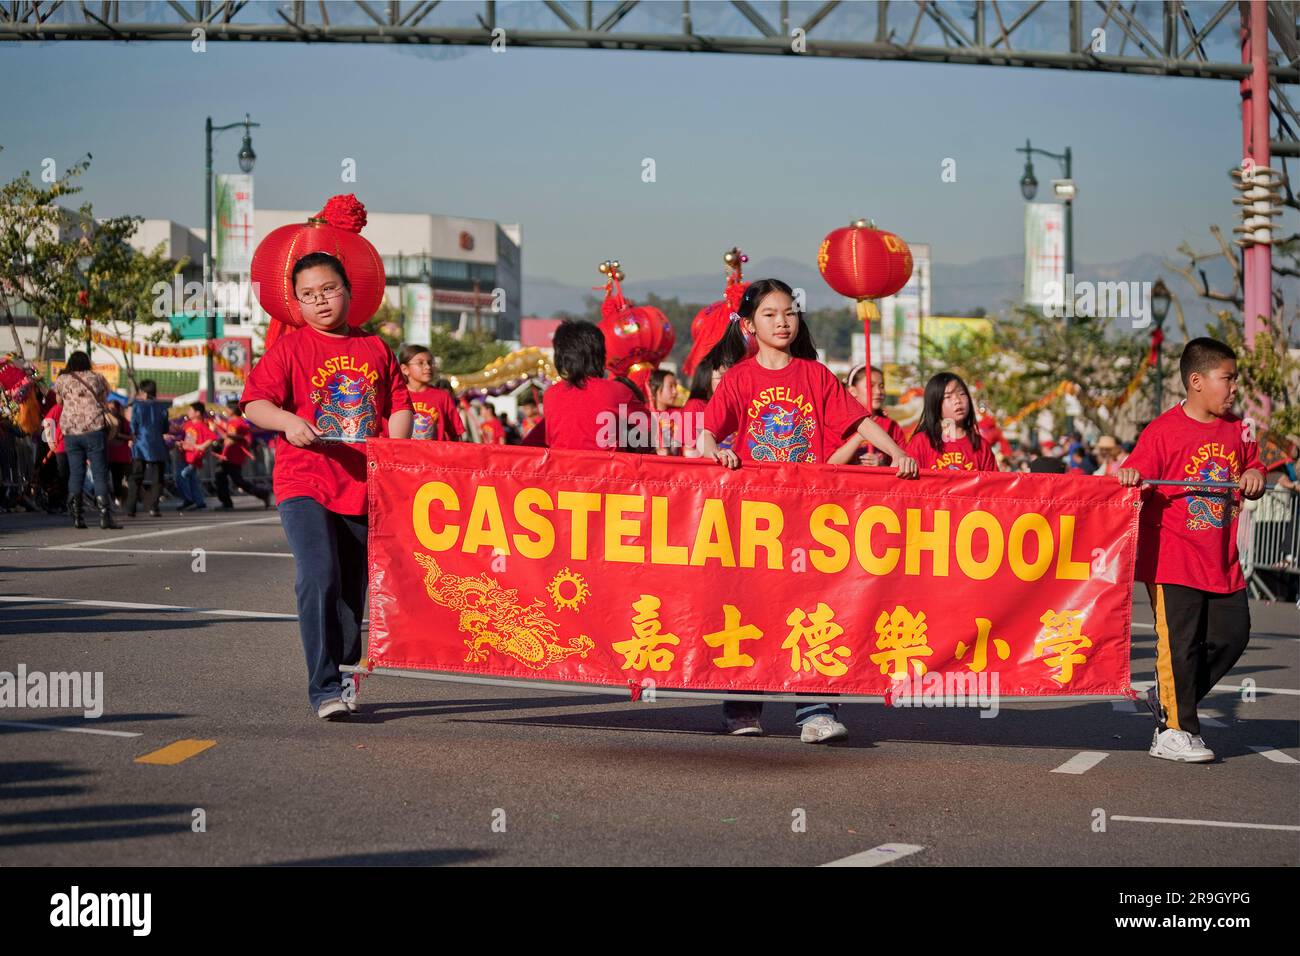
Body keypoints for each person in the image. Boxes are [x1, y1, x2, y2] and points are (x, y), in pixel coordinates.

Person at [696, 278, 918, 744]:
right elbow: (705, 434)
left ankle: (816, 711)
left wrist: (897, 453)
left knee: (815, 608)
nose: (782, 322)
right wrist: (716, 453)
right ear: (749, 325)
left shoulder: (815, 375)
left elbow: (859, 421)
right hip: (753, 519)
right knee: (748, 609)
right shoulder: (738, 378)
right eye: (770, 315)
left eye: (789, 313)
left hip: (811, 517)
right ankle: (741, 706)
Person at [242, 251, 413, 720]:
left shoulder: (376, 349)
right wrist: (287, 421)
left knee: (350, 589)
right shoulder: (290, 349)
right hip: (305, 480)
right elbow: (253, 403)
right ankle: (323, 688)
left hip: (362, 485)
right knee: (319, 573)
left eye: (328, 290)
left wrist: (393, 451)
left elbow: (400, 405)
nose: (320, 301)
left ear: (349, 292)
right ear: (297, 303)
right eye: (308, 295)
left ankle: (343, 674)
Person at [1117, 338, 1265, 762]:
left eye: (1235, 378)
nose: (1234, 387)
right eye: (1227, 378)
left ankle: (1166, 695)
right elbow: (1135, 473)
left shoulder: (1240, 429)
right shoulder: (1162, 431)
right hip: (1172, 557)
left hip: (1221, 560)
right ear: (1197, 381)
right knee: (1180, 645)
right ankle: (1173, 732)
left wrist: (1255, 475)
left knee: (1231, 637)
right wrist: (1132, 477)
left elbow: (1255, 465)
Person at [539, 320, 651, 452]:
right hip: (607, 471)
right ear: (599, 356)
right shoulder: (616, 391)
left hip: (561, 470)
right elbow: (652, 430)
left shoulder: (550, 395)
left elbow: (551, 440)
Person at [52, 351, 120, 530]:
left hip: (71, 432)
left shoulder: (62, 380)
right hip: (94, 429)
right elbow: (104, 399)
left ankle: (77, 517)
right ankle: (105, 517)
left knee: (76, 473)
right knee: (99, 473)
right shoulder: (97, 378)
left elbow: (59, 402)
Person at [904, 373, 998, 472]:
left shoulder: (981, 446)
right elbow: (910, 484)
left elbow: (993, 484)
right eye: (948, 397)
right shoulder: (920, 443)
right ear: (935, 403)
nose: (957, 400)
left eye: (962, 394)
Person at [829, 364, 907, 466]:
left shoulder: (892, 426)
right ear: (852, 391)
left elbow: (904, 461)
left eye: (881, 386)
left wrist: (882, 465)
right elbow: (830, 463)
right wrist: (861, 435)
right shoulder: (837, 424)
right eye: (871, 386)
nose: (878, 391)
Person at [214, 398, 271, 510]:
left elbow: (242, 438)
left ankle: (262, 493)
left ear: (232, 410)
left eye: (227, 408)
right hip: (229, 454)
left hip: (234, 455)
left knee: (235, 479)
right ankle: (227, 502)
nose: (225, 410)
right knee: (223, 476)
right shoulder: (232, 422)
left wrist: (228, 434)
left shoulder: (238, 422)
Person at [399, 345, 466, 441]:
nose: (427, 367)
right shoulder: (397, 396)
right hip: (405, 454)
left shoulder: (442, 396)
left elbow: (456, 434)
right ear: (405, 369)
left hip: (435, 455)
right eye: (420, 363)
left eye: (430, 363)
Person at [125, 379, 169, 518]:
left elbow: (133, 425)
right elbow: (165, 428)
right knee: (157, 478)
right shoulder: (163, 407)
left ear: (143, 392)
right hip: (157, 444)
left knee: (136, 477)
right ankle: (153, 508)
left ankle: (131, 508)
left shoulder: (137, 406)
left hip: (141, 444)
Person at [177, 402, 216, 511]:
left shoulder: (201, 425)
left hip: (193, 458)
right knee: (192, 480)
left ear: (198, 413)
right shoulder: (187, 424)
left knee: (181, 476)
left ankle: (189, 499)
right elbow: (182, 437)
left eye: (190, 410)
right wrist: (180, 444)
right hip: (184, 456)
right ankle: (199, 502)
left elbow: (212, 437)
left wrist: (202, 446)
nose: (188, 412)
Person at [647, 368, 681, 456]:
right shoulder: (645, 412)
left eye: (675, 386)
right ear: (656, 389)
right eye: (670, 386)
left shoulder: (680, 414)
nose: (675, 392)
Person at [106, 400, 132, 504]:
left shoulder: (123, 421)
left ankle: (119, 498)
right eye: (109, 408)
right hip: (110, 453)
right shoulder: (106, 419)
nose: (110, 410)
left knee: (119, 477)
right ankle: (116, 498)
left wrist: (118, 435)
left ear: (117, 409)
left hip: (120, 454)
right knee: (111, 477)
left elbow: (130, 436)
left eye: (112, 408)